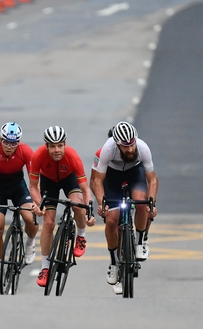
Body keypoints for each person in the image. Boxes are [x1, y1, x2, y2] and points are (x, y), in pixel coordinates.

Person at [90, 121, 159, 295]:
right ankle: (114, 263)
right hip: (113, 177)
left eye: (131, 144)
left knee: (141, 203)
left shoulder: (142, 148)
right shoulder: (108, 149)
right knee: (112, 221)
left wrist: (151, 203)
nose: (129, 149)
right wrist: (101, 203)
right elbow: (97, 180)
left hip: (135, 173)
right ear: (117, 144)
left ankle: (140, 240)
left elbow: (152, 179)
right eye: (125, 146)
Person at [28, 126, 95, 288]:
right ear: (46, 146)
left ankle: (81, 236)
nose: (57, 150)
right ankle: (45, 268)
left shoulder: (72, 156)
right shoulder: (38, 156)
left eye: (60, 145)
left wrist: (89, 211)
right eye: (52, 146)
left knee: (77, 206)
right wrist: (39, 205)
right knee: (48, 223)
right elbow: (33, 186)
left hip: (68, 179)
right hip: (48, 182)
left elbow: (85, 189)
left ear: (65, 144)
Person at [0, 122, 39, 285]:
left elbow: (34, 181)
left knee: (31, 219)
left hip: (18, 188)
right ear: (0, 139)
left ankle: (30, 243)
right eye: (6, 142)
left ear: (19, 142)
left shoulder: (26, 151)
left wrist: (36, 201)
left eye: (14, 143)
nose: (9, 147)